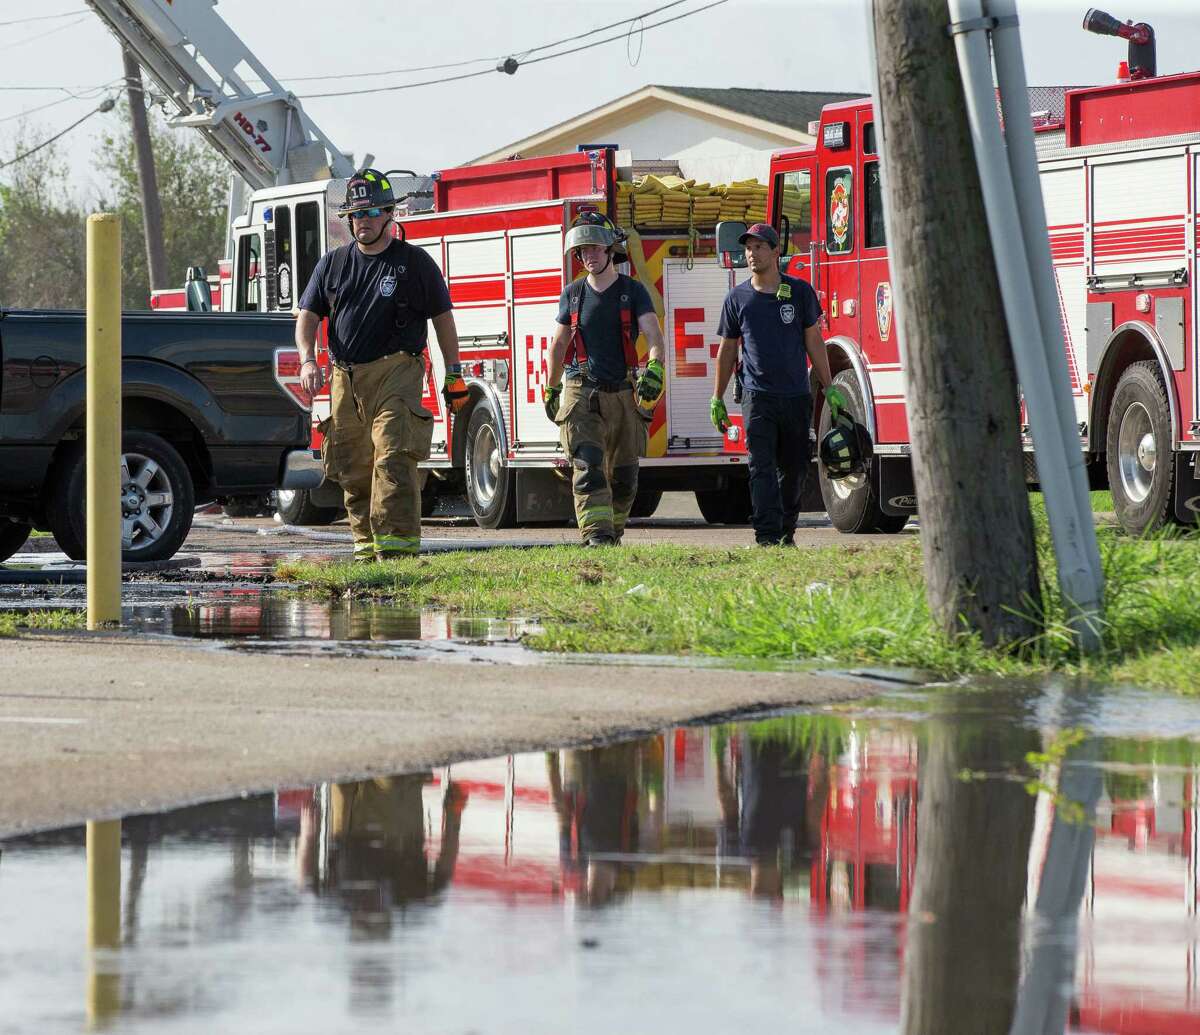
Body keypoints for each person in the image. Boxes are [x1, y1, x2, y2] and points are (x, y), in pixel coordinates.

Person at [295, 169, 469, 562]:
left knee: (393, 454)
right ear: (349, 219)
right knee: (352, 465)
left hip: (397, 371)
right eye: (357, 213)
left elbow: (443, 320)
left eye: (373, 212)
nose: (365, 220)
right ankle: (365, 547)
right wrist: (307, 359)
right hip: (345, 377)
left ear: (389, 214)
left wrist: (454, 373)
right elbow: (307, 316)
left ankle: (397, 550)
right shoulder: (332, 265)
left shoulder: (415, 263)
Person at [710, 223, 844, 546]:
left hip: (796, 395)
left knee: (795, 468)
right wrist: (717, 397)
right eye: (748, 248)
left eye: (758, 247)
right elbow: (727, 351)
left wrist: (829, 386)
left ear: (775, 251)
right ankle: (767, 536)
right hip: (757, 397)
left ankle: (786, 531)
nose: (751, 254)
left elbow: (814, 340)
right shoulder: (737, 298)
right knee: (761, 467)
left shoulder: (800, 292)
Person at [542, 212, 667, 546]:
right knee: (589, 466)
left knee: (624, 476)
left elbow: (654, 336)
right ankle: (597, 537)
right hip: (582, 393)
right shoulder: (572, 294)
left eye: (595, 248)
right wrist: (552, 388)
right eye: (583, 251)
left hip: (624, 394)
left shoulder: (633, 291)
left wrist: (655, 368)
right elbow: (558, 346)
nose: (589, 256)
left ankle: (612, 531)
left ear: (611, 250)